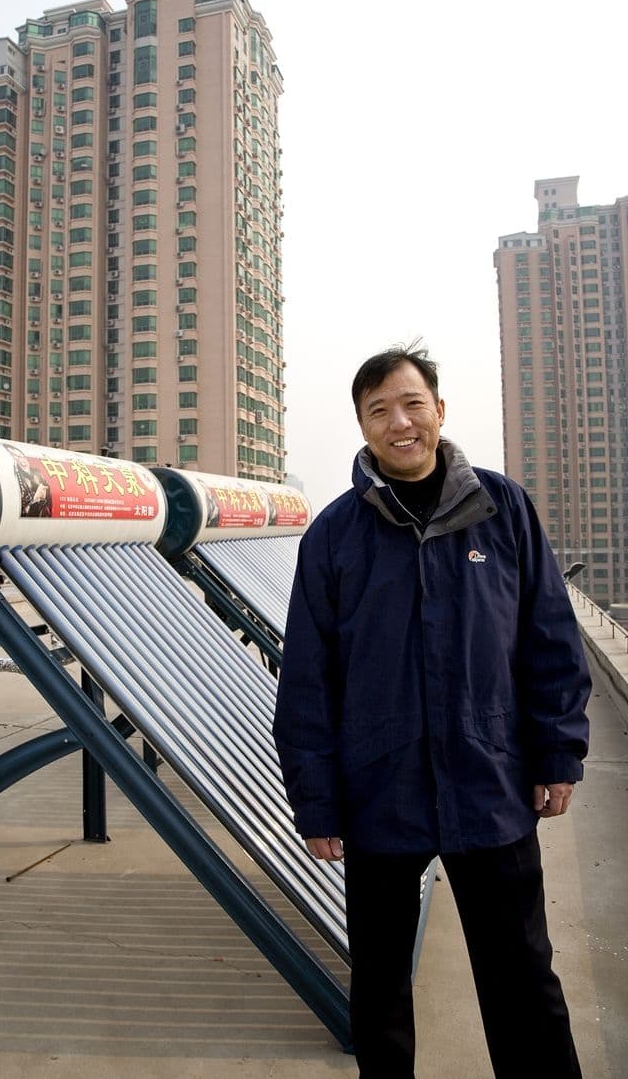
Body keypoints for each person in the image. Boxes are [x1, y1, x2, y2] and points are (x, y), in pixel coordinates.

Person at [273, 344, 591, 1079]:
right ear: (362, 427)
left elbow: (549, 640)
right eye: (379, 410)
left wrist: (557, 754)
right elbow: (308, 682)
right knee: (380, 988)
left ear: (440, 412)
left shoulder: (502, 509)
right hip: (379, 791)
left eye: (412, 403)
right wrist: (316, 803)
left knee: (525, 982)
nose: (399, 421)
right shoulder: (334, 535)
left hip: (492, 785)